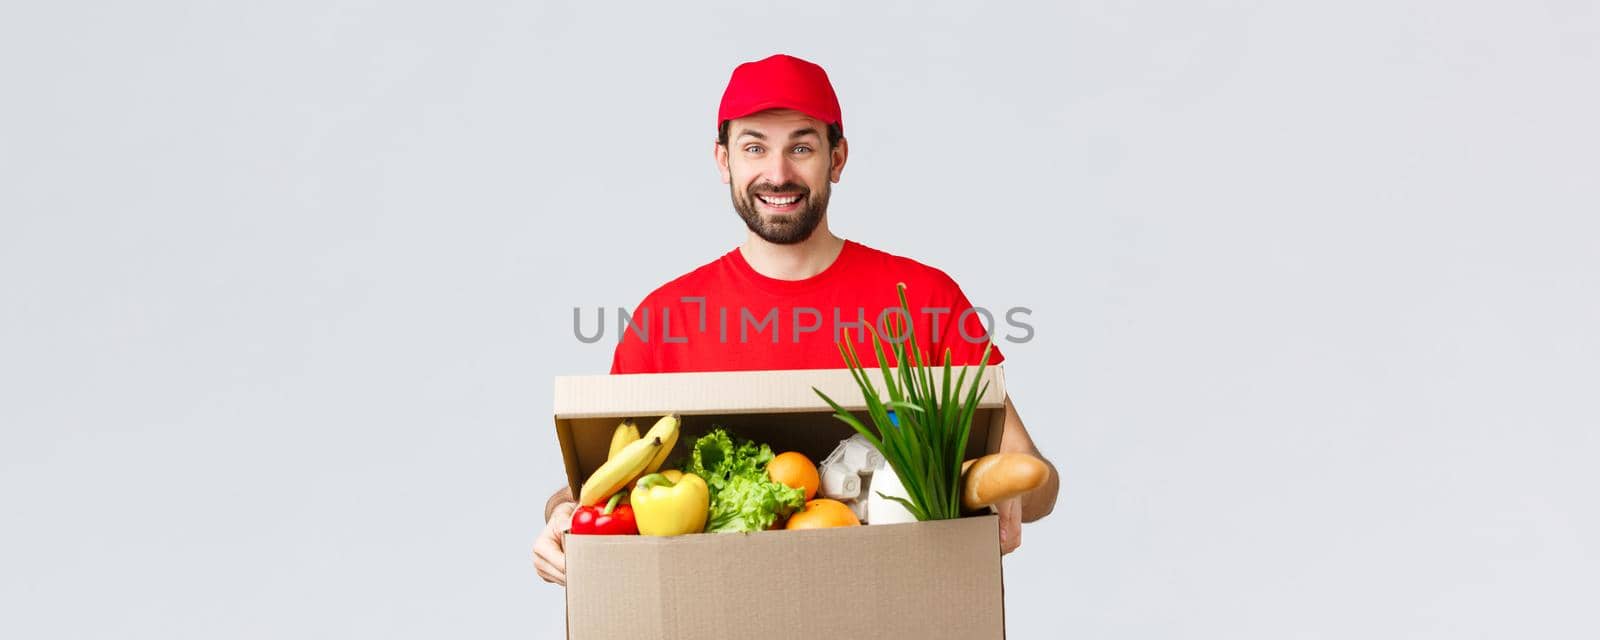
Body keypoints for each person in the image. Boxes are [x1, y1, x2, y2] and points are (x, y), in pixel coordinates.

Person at [534, 54, 1059, 586]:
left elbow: (1037, 479)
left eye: (801, 148)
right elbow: (597, 490)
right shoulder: (662, 318)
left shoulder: (924, 297)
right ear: (724, 161)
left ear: (837, 158)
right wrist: (558, 515)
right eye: (754, 147)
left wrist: (1014, 493)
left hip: (891, 603)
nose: (778, 173)